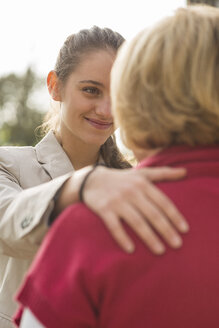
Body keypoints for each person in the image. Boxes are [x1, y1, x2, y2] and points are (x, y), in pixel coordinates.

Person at [14, 4, 219, 328]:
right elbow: (7, 215)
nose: (107, 109)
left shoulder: (130, 189)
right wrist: (81, 184)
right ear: (55, 86)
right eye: (91, 90)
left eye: (118, 93)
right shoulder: (7, 163)